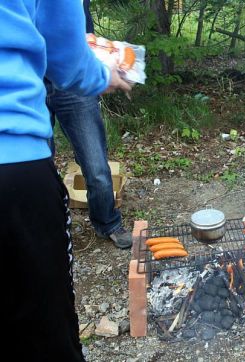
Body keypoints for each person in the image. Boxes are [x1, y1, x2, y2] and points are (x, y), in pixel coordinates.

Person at [0, 1, 131, 361]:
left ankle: (108, 222)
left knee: (97, 168)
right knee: (45, 326)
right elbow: (68, 57)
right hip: (13, 162)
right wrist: (107, 75)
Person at [46, 0, 132, 249]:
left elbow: (82, 34)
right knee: (41, 166)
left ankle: (108, 223)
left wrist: (105, 68)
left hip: (73, 80)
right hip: (32, 80)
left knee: (95, 163)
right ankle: (53, 229)